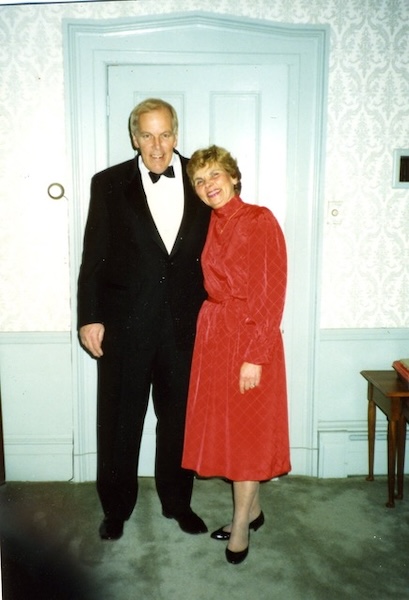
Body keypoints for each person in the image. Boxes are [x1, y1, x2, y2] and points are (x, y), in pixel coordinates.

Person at [77, 98, 211, 540]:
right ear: (134, 137)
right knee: (119, 421)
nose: (158, 146)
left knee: (178, 422)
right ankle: (115, 508)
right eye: (148, 135)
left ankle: (177, 502)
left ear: (177, 133)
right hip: (125, 326)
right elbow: (93, 257)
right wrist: (90, 317)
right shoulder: (109, 183)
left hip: (184, 327)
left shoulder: (202, 179)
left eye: (166, 134)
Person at [182, 145, 291, 564]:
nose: (209, 185)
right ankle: (255, 510)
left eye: (215, 175)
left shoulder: (259, 220)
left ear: (233, 176)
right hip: (215, 338)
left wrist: (255, 355)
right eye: (199, 180)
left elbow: (271, 293)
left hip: (249, 339)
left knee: (246, 437)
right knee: (232, 433)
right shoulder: (210, 223)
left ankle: (242, 524)